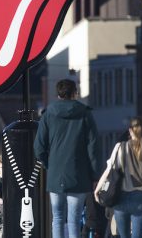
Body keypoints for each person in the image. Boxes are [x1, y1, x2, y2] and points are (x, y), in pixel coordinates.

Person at [33, 79, 101, 238]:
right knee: (74, 218)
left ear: (58, 94)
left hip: (56, 174)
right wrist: (94, 175)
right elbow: (93, 146)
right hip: (79, 174)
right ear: (74, 93)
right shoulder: (85, 113)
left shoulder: (48, 114)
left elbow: (38, 147)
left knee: (57, 218)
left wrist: (49, 164)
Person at [94, 117, 142, 238]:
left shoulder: (120, 147)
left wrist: (97, 190)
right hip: (141, 199)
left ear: (130, 130)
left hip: (122, 199)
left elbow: (109, 170)